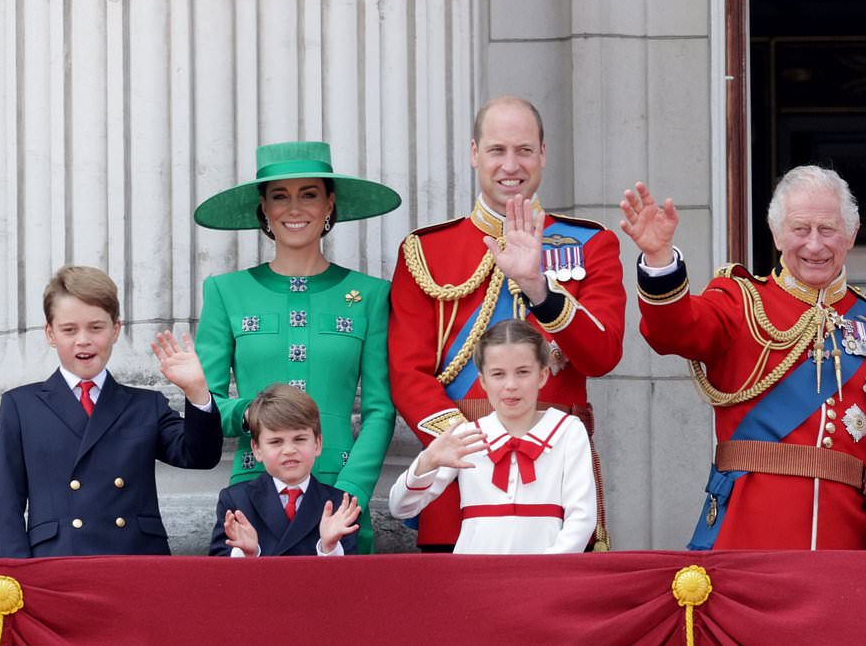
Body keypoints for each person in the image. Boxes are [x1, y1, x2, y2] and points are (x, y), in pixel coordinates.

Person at [620, 166, 866, 550]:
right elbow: (674, 330)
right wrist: (660, 260)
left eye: (827, 229)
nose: (814, 245)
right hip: (748, 536)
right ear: (777, 233)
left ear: (852, 234)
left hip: (844, 543)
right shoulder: (739, 301)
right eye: (800, 230)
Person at [388, 96, 624, 551]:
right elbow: (406, 373)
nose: (510, 165)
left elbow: (603, 355)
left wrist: (540, 289)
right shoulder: (426, 251)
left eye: (524, 150)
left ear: (543, 154)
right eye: (497, 150)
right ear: (474, 153)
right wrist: (469, 447)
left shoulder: (591, 244)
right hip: (461, 480)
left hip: (556, 474)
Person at [193, 141, 400, 552]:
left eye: (309, 194)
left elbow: (380, 410)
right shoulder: (225, 292)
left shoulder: (371, 295)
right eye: (280, 196)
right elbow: (206, 404)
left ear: (329, 204)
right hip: (253, 494)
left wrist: (350, 491)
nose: (294, 208)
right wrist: (250, 412)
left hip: (341, 500)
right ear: (264, 208)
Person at [0, 266, 222, 557]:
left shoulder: (145, 405)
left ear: (116, 330)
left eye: (96, 327)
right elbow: (5, 502)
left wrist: (197, 391)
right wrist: (18, 576)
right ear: (50, 333)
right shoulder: (21, 405)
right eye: (69, 329)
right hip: (56, 563)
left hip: (135, 561)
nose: (83, 339)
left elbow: (200, 456)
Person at [389, 319, 597, 553]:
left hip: (545, 578)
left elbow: (582, 517)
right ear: (483, 381)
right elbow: (401, 507)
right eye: (498, 374)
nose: (511, 385)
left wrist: (546, 571)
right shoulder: (467, 435)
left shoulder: (568, 431)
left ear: (543, 375)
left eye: (523, 373)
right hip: (474, 578)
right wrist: (427, 462)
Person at [210, 384, 360, 557]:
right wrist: (248, 554)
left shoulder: (339, 504)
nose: (289, 450)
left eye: (299, 439)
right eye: (276, 442)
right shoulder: (236, 501)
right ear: (257, 449)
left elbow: (350, 579)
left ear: (317, 444)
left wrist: (329, 548)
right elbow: (217, 572)